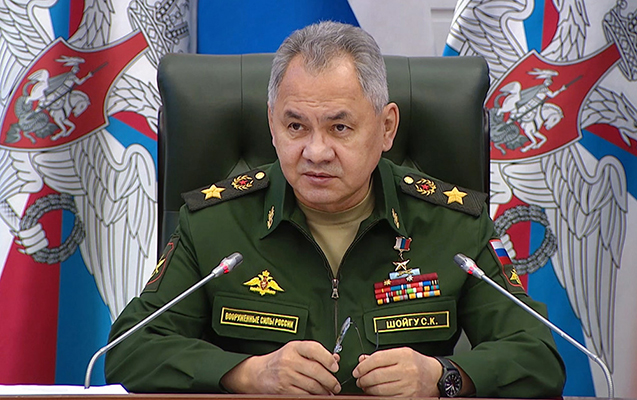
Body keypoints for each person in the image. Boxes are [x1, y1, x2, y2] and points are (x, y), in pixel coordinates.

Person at [105, 21, 565, 397]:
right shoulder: (215, 223)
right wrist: (247, 373)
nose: (316, 151)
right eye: (295, 126)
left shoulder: (453, 224)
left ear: (386, 128)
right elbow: (131, 349)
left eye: (340, 127)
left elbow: (539, 355)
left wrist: (442, 376)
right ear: (271, 125)